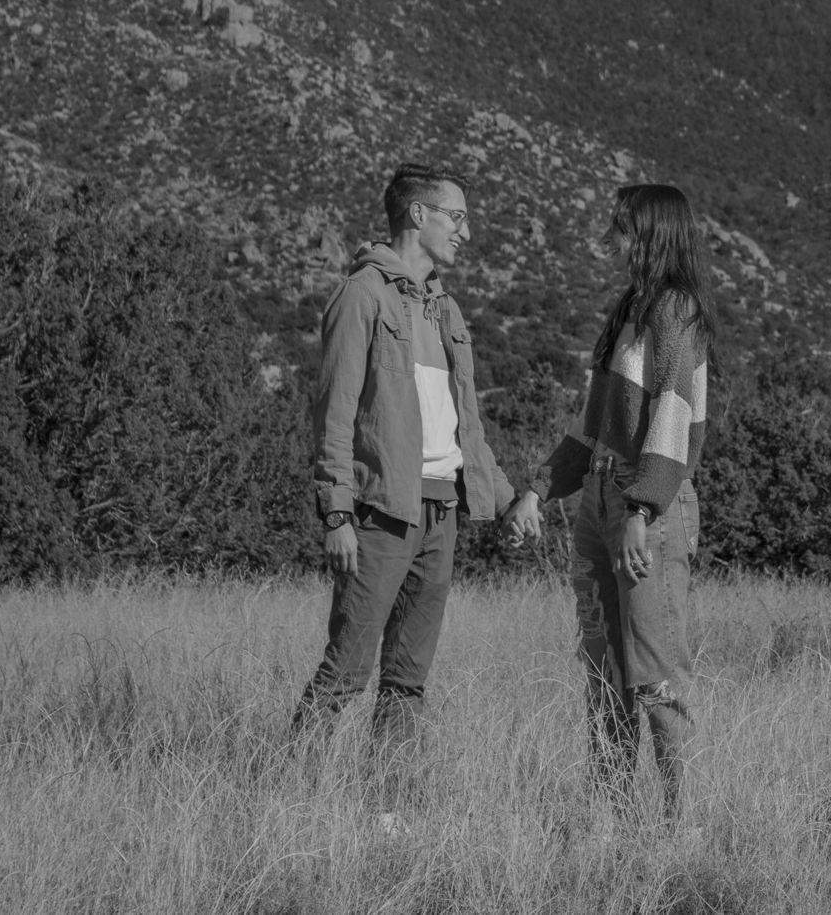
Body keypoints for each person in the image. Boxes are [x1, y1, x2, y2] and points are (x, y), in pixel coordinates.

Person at [294, 162, 539, 769]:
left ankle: (390, 805)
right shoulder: (362, 295)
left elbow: (465, 428)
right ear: (417, 213)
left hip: (442, 512)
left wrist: (506, 499)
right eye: (456, 218)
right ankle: (287, 795)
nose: (465, 233)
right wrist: (337, 513)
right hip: (380, 513)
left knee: (408, 680)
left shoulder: (446, 310)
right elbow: (334, 414)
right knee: (346, 671)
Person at [505, 183, 714, 822]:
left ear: (652, 234)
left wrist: (641, 510)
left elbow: (672, 416)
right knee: (604, 676)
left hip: (645, 507)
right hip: (602, 499)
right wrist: (538, 488)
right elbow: (592, 426)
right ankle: (614, 824)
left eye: (622, 229)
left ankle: (682, 828)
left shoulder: (675, 309)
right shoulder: (630, 309)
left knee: (656, 674)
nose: (612, 241)